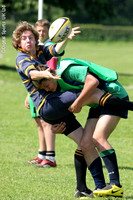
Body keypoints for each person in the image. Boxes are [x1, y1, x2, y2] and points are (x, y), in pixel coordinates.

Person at [12, 22, 133, 198]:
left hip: (51, 107)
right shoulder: (22, 58)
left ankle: (94, 187)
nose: (28, 41)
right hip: (48, 103)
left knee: (85, 143)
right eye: (24, 38)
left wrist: (65, 38)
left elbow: (54, 50)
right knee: (93, 94)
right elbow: (32, 74)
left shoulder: (40, 52)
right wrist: (46, 74)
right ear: (18, 43)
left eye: (31, 37)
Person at [35, 58, 133, 198]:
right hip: (97, 103)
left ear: (51, 75)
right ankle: (100, 187)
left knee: (98, 138)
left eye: (46, 85)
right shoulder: (55, 85)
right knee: (85, 144)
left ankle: (115, 185)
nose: (47, 90)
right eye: (43, 89)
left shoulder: (67, 70)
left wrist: (78, 103)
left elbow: (93, 82)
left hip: (114, 96)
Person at [25, 19, 62, 167]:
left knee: (46, 121)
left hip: (46, 86)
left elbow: (50, 67)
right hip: (37, 87)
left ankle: (50, 157)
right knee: (38, 122)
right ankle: (42, 154)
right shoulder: (36, 46)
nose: (41, 33)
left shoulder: (48, 48)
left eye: (44, 31)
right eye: (38, 31)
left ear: (49, 31)